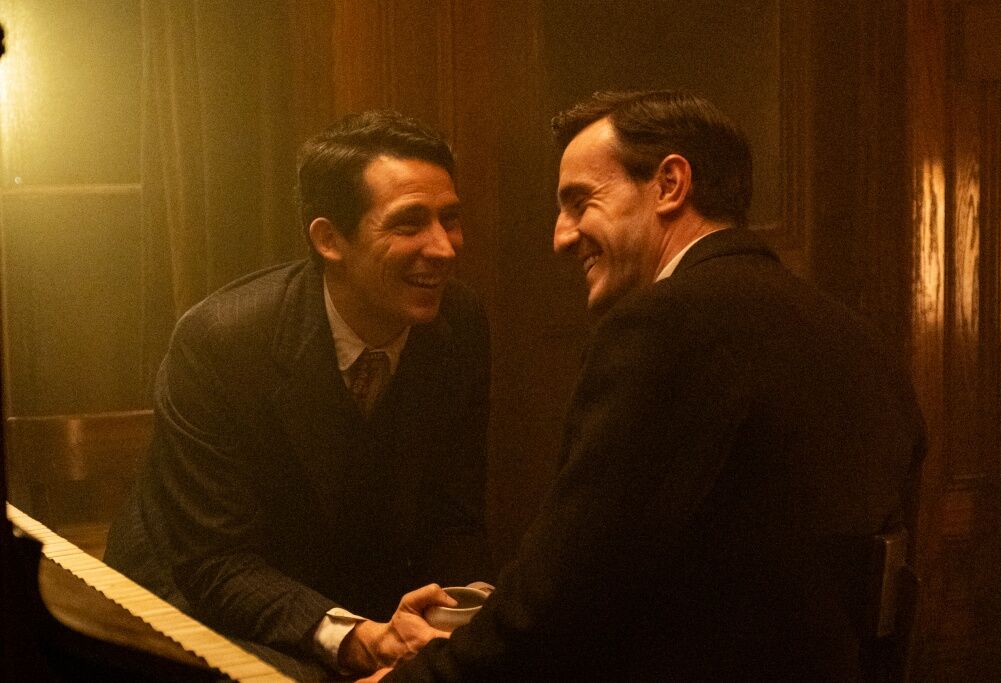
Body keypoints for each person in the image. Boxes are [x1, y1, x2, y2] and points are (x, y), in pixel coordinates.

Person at [372, 90, 926, 681]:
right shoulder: (858, 339)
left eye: (579, 202)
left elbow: (568, 589)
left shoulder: (666, 323)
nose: (561, 236)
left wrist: (416, 677)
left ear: (669, 184)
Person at [104, 111, 493, 676]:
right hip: (193, 599)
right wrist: (360, 639)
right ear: (329, 239)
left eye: (450, 219)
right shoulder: (221, 340)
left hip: (352, 597)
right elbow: (214, 562)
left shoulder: (460, 322)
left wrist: (451, 622)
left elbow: (455, 517)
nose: (445, 248)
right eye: (410, 224)